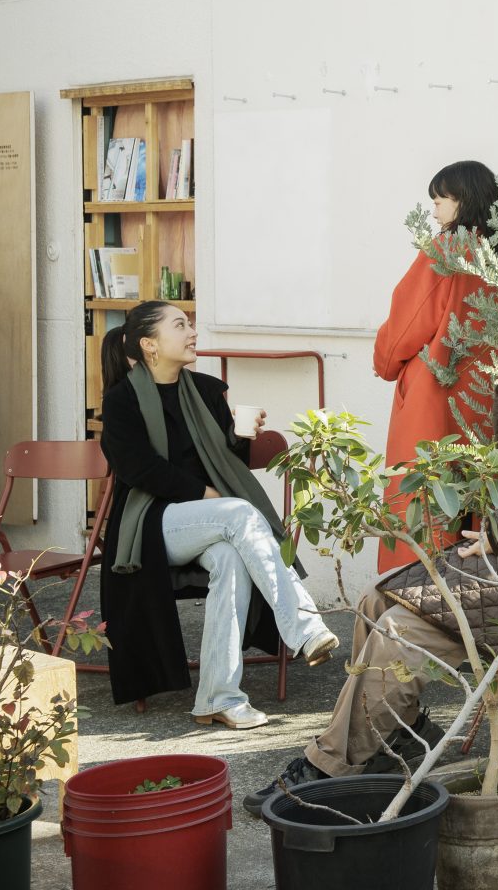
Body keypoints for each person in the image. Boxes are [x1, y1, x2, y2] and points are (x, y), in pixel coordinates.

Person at [247, 279, 498, 815]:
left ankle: (329, 767)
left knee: (398, 629)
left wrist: (496, 534)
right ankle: (399, 733)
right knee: (375, 602)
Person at [98, 301, 339, 729]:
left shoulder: (208, 391)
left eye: (190, 324)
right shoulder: (122, 402)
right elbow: (139, 469)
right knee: (240, 514)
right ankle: (304, 627)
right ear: (150, 344)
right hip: (152, 525)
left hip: (211, 519)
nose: (192, 332)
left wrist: (241, 435)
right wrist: (206, 494)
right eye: (180, 325)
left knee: (231, 559)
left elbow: (226, 459)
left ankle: (218, 697)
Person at [372, 160, 498, 572]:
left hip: (436, 398)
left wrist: (385, 361)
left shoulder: (448, 250)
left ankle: (423, 601)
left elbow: (407, 322)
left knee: (427, 502)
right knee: (476, 497)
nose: (434, 210)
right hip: (485, 398)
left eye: (439, 199)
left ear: (461, 200)